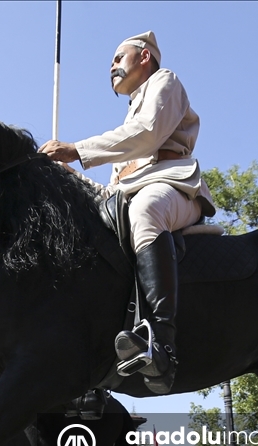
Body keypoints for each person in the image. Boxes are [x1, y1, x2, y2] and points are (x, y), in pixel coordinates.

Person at [39, 31, 215, 394]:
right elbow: (111, 192)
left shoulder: (165, 82)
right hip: (130, 196)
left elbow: (148, 134)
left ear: (146, 57)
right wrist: (69, 177)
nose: (112, 66)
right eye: (112, 61)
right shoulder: (126, 124)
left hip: (173, 188)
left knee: (146, 211)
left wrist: (76, 149)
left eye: (119, 57)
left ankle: (162, 343)